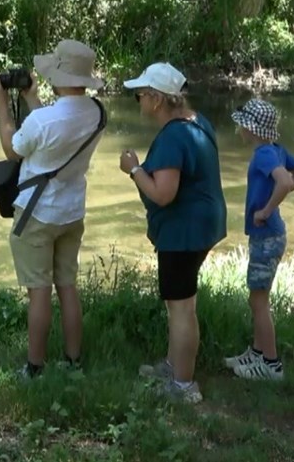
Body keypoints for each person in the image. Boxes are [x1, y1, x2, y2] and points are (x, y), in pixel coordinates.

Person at [0, 39, 105, 379]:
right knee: (67, 286)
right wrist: (31, 99)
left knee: (38, 291)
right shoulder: (97, 113)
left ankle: (35, 368)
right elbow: (54, 128)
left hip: (37, 214)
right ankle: (73, 362)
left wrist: (1, 106)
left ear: (59, 76)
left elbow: (13, 148)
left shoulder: (45, 121)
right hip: (71, 213)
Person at [119, 63, 226, 403]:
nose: (138, 100)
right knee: (181, 302)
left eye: (140, 95)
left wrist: (134, 168)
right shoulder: (197, 122)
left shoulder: (173, 136)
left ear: (155, 99)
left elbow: (163, 193)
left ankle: (183, 386)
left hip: (184, 233)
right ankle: (173, 365)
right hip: (205, 224)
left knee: (181, 308)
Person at [225, 99, 294, 381]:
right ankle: (257, 353)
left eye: (242, 125)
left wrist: (267, 209)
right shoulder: (277, 150)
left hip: (267, 235)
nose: (239, 130)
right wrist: (277, 199)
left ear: (253, 129)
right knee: (257, 298)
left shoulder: (263, 153)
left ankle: (271, 365)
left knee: (258, 301)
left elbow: (286, 182)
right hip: (272, 235)